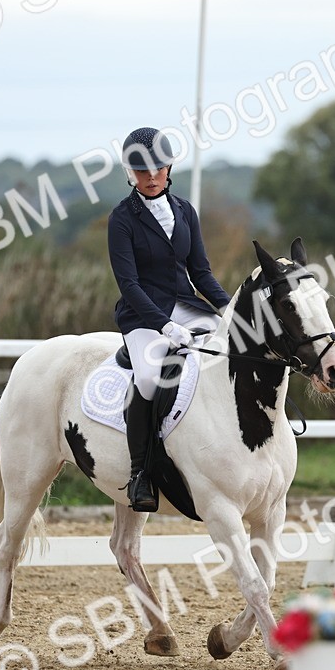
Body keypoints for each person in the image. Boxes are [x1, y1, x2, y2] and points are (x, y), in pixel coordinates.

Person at [108, 126, 230, 512]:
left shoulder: (185, 211)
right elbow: (128, 284)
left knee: (232, 352)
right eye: (141, 171)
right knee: (148, 378)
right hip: (143, 315)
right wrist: (162, 324)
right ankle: (141, 472)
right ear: (130, 173)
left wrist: (232, 310)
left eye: (157, 168)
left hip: (187, 304)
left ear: (169, 166)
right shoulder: (122, 219)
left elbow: (202, 273)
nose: (150, 177)